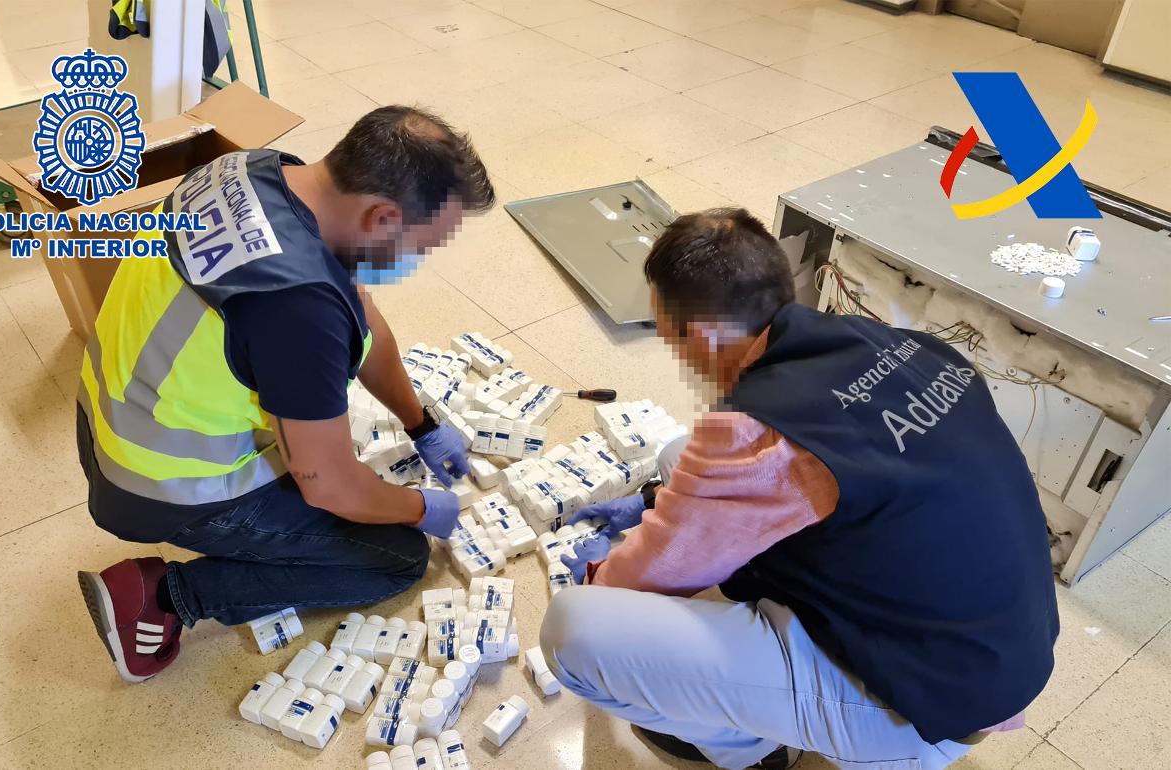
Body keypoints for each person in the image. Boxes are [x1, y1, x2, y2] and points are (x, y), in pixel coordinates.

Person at [539, 208, 1059, 770]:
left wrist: (597, 575)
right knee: (678, 454)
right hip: (995, 652)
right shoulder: (906, 347)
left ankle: (750, 751)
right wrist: (652, 502)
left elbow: (637, 583)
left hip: (923, 706)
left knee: (577, 632)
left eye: (673, 339)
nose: (679, 357)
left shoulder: (758, 432)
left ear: (705, 334)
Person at [75, 106, 494, 683]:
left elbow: (364, 323)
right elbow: (330, 486)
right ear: (382, 216)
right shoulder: (298, 307)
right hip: (163, 482)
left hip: (112, 418)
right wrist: (422, 508)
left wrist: (421, 423)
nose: (415, 260)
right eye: (421, 245)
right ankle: (165, 597)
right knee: (396, 558)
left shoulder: (255, 172)